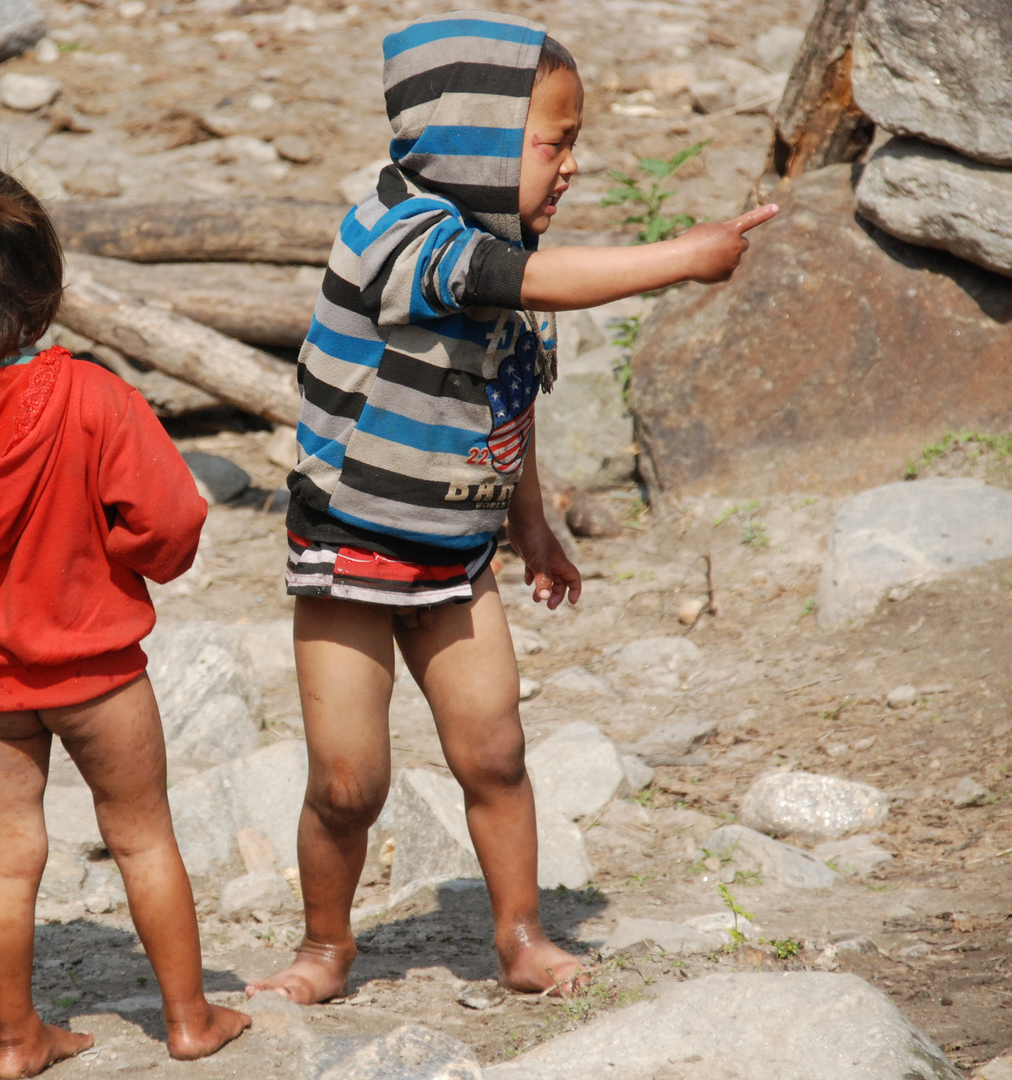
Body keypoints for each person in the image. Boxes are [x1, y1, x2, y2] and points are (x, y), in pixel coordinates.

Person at [248, 10, 777, 1005]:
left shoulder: (510, 252)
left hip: (454, 552)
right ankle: (324, 946)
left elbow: (509, 400)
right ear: (468, 139)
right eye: (552, 142)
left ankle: (519, 935)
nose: (568, 167)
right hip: (350, 545)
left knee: (493, 751)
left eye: (573, 142)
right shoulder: (398, 230)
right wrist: (678, 256)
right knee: (346, 783)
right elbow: (501, 283)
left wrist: (528, 526)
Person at [0, 143, 250, 1076]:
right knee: (143, 834)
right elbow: (174, 520)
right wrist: (123, 553)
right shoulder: (93, 401)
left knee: (3, 859)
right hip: (100, 673)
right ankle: (189, 1020)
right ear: (46, 286)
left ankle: (15, 1037)